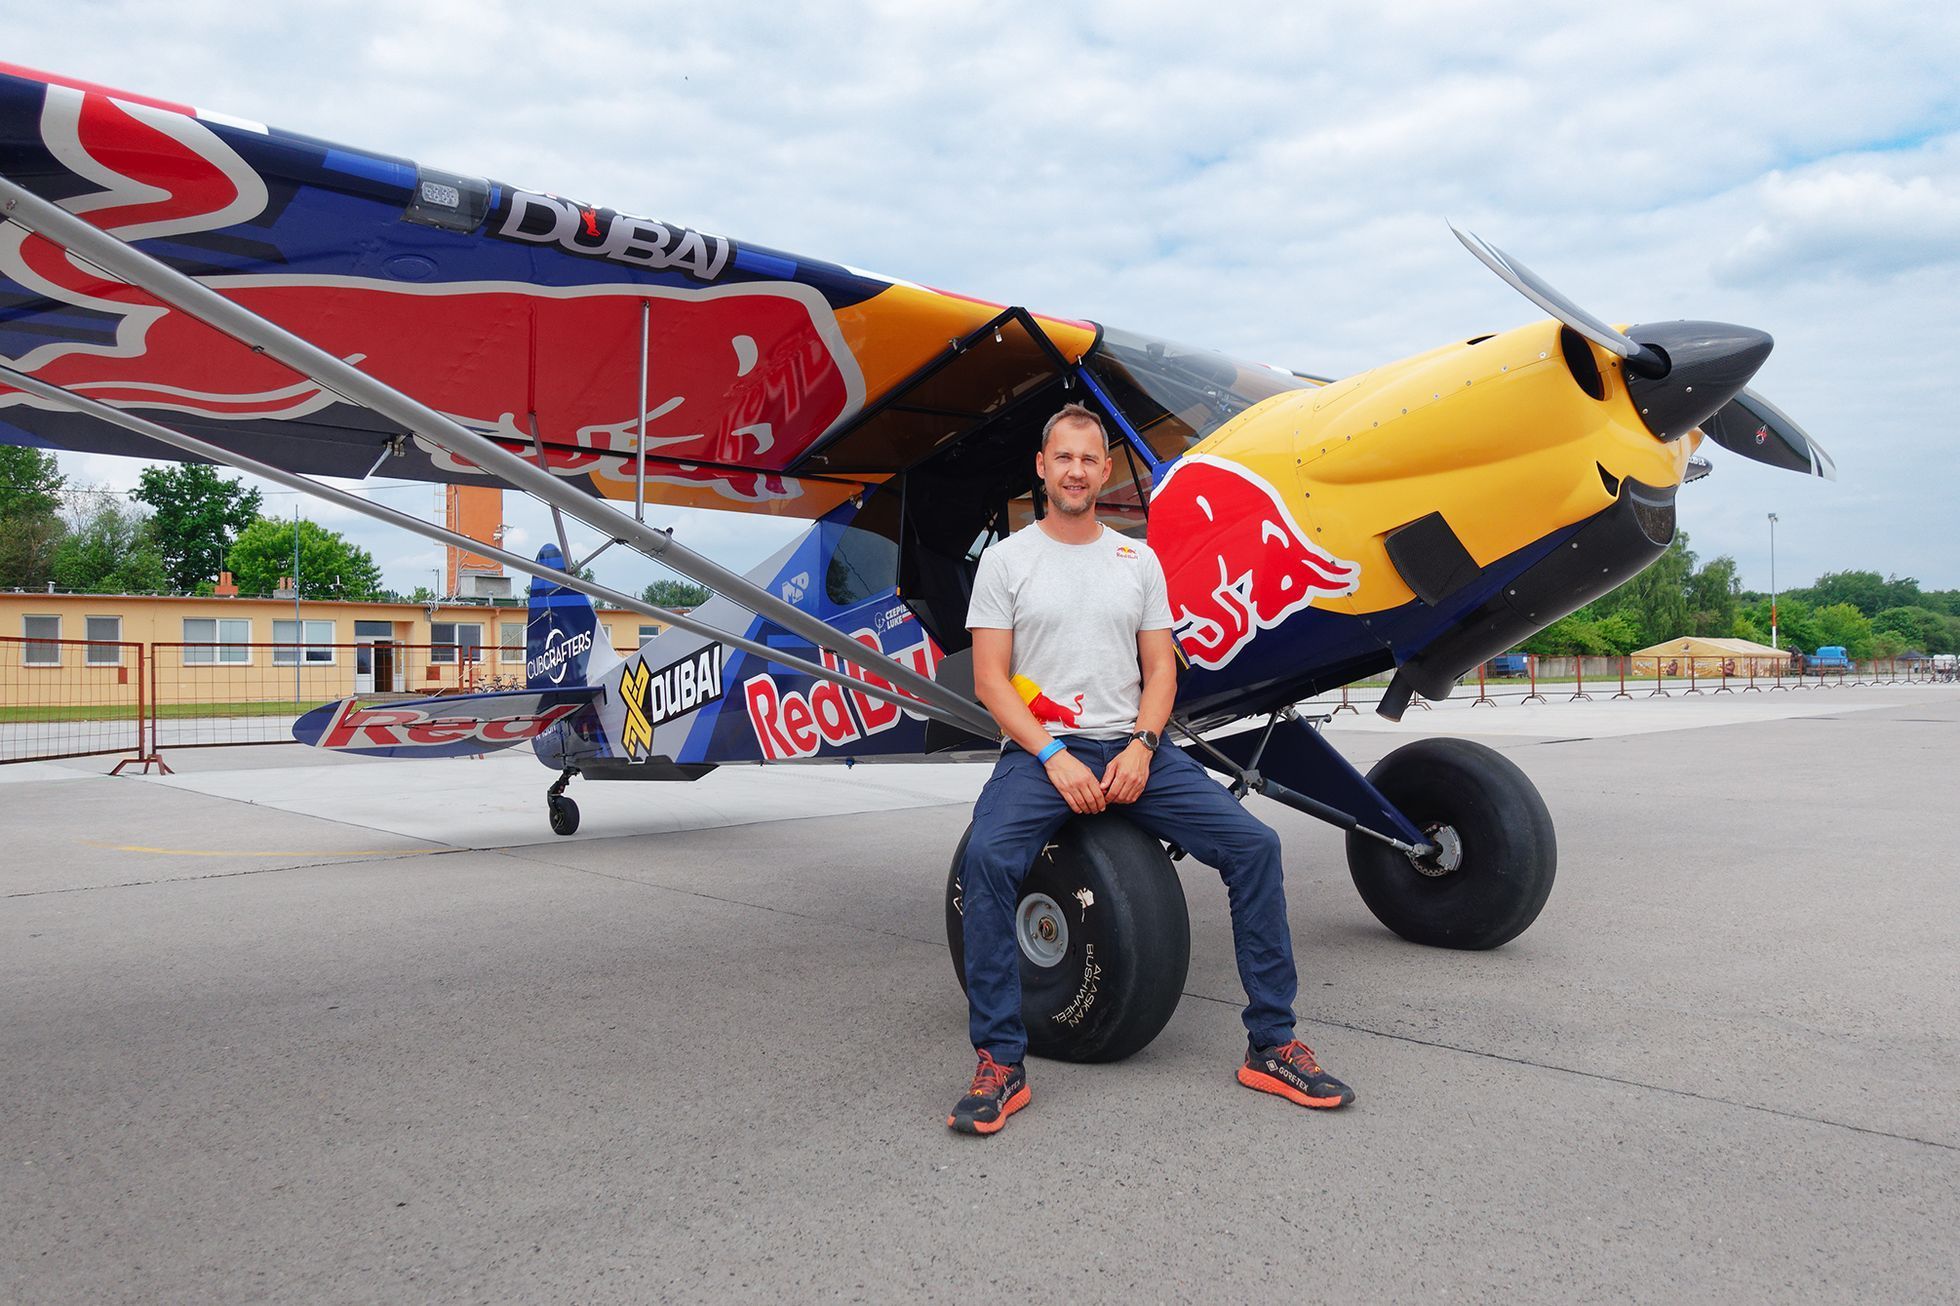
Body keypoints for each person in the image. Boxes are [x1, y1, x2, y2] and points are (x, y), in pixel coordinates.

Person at [947, 402, 1353, 1136]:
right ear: (1042, 469)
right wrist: (1051, 755)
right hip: (1044, 751)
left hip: (1135, 745)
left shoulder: (1139, 560)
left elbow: (1160, 670)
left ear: (1105, 471)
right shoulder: (1007, 562)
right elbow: (991, 681)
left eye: (1089, 459)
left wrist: (1141, 744)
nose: (1076, 470)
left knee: (1254, 847)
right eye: (1062, 457)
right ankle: (1001, 1061)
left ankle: (1272, 1044)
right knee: (985, 858)